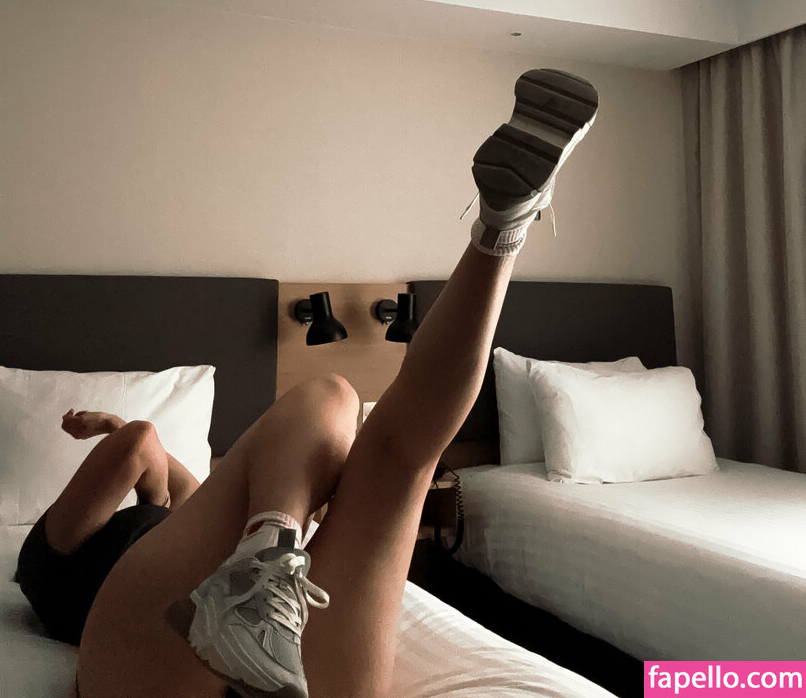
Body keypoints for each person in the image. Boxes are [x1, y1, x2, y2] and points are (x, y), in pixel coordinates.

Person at [71, 67, 595, 698]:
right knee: (348, 412)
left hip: (178, 656)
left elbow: (169, 477)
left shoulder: (169, 517)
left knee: (392, 452)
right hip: (162, 635)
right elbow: (146, 456)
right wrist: (123, 435)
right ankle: (502, 228)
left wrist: (290, 491)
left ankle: (266, 562)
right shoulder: (43, 552)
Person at [16, 408, 201, 646]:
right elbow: (188, 489)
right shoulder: (211, 532)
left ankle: (155, 505)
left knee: (141, 437)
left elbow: (143, 441)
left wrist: (112, 425)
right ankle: (155, 506)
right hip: (91, 601)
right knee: (144, 445)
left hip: (62, 584)